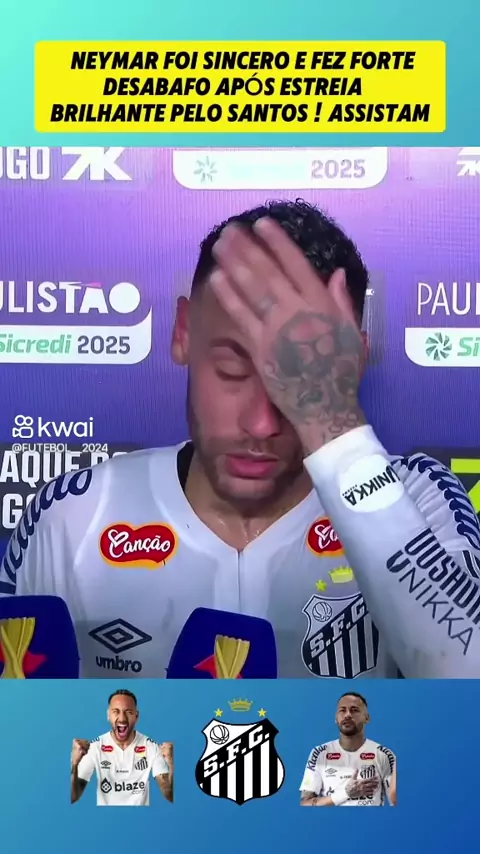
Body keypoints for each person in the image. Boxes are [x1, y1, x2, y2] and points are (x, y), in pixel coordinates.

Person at [1, 199, 480, 679]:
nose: (261, 424)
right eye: (232, 369)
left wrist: (333, 422)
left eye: (302, 379)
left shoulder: (417, 500)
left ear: (351, 366)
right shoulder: (75, 516)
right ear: (183, 332)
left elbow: (468, 680)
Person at [71, 689, 173, 806]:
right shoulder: (95, 747)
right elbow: (74, 797)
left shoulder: (151, 747)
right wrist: (74, 763)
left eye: (128, 712)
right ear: (108, 715)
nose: (122, 718)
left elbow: (168, 794)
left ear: (136, 716)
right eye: (116, 711)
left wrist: (172, 764)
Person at [299, 692, 396, 806]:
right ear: (336, 718)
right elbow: (305, 803)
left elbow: (397, 803)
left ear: (367, 718)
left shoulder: (384, 755)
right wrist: (345, 794)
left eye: (354, 710)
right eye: (342, 710)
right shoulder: (319, 753)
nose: (348, 715)